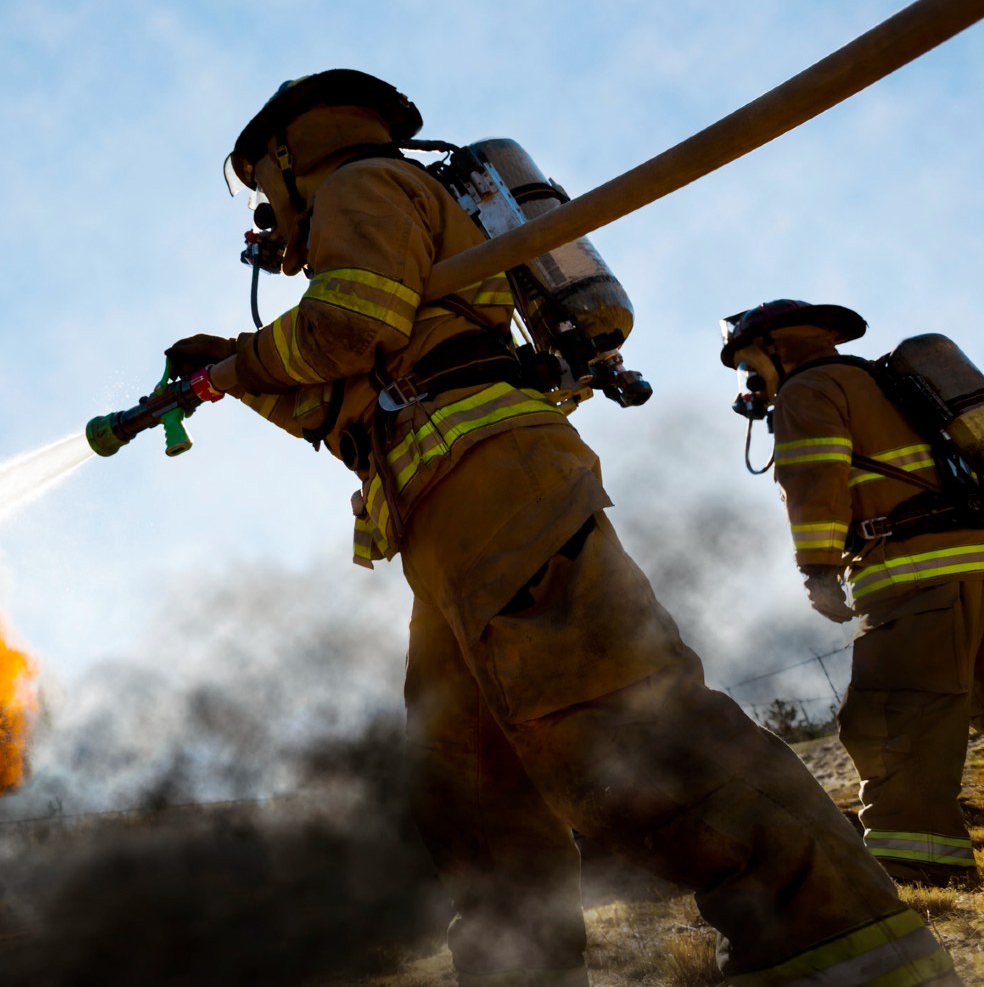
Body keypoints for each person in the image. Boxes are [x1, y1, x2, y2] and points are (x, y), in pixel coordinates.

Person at [168, 71, 958, 986]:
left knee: (610, 715)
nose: (265, 212)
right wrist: (230, 372)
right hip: (447, 529)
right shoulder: (397, 222)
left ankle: (842, 945)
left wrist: (244, 359)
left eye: (261, 183)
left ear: (284, 153)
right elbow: (346, 404)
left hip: (498, 492)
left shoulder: (358, 183)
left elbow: (349, 326)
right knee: (470, 785)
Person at [721, 299, 984, 889]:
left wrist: (818, 571)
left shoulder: (808, 391)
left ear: (775, 348)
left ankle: (921, 870)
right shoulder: (886, 383)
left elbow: (815, 481)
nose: (750, 383)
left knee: (895, 720)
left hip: (919, 578)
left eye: (748, 366)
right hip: (978, 561)